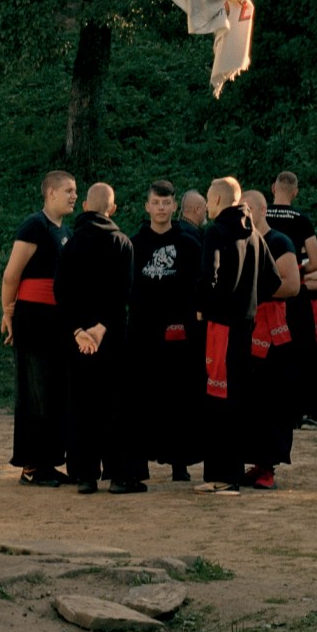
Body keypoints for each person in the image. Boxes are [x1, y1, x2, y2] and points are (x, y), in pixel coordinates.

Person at [56, 182, 144, 494]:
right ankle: (119, 475)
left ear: (84, 207)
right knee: (115, 404)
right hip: (112, 338)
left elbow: (61, 295)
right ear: (113, 209)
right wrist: (101, 328)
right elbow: (125, 292)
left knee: (81, 404)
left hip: (79, 342)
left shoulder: (70, 245)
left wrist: (79, 331)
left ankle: (85, 476)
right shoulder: (122, 243)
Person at [0, 170, 76, 486]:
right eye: (69, 190)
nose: (74, 196)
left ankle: (49, 462)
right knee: (36, 391)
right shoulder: (34, 226)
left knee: (56, 392)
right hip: (33, 319)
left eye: (75, 191)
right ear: (51, 194)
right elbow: (11, 274)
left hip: (57, 320)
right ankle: (32, 466)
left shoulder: (66, 231)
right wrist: (8, 312)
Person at [129, 178, 204, 480]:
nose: (161, 208)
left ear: (175, 206)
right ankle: (139, 462)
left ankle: (179, 464)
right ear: (147, 206)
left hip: (178, 335)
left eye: (166, 203)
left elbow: (198, 287)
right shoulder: (134, 244)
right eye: (155, 203)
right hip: (142, 333)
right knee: (143, 398)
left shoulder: (189, 244)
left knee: (179, 399)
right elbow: (127, 288)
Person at [237, 190, 302, 490]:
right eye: (242, 208)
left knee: (273, 401)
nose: (246, 212)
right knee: (248, 401)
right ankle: (254, 462)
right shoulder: (238, 241)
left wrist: (252, 290)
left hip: (273, 337)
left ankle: (268, 468)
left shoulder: (279, 242)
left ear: (263, 209)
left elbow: (291, 285)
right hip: (244, 332)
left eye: (250, 207)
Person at [198, 176, 255, 494]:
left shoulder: (216, 231)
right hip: (246, 327)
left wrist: (201, 307)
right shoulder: (254, 233)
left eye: (208, 197)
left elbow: (210, 276)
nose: (207, 204)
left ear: (218, 200)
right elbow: (271, 278)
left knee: (217, 399)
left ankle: (221, 477)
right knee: (235, 400)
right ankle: (232, 472)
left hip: (221, 326)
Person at [266, 171, 317, 430]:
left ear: (273, 188)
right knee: (297, 351)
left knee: (265, 351)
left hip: (265, 295)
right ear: (296, 192)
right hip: (295, 293)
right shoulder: (302, 220)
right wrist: (296, 271)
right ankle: (295, 412)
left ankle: (268, 407)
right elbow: (315, 261)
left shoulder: (262, 214)